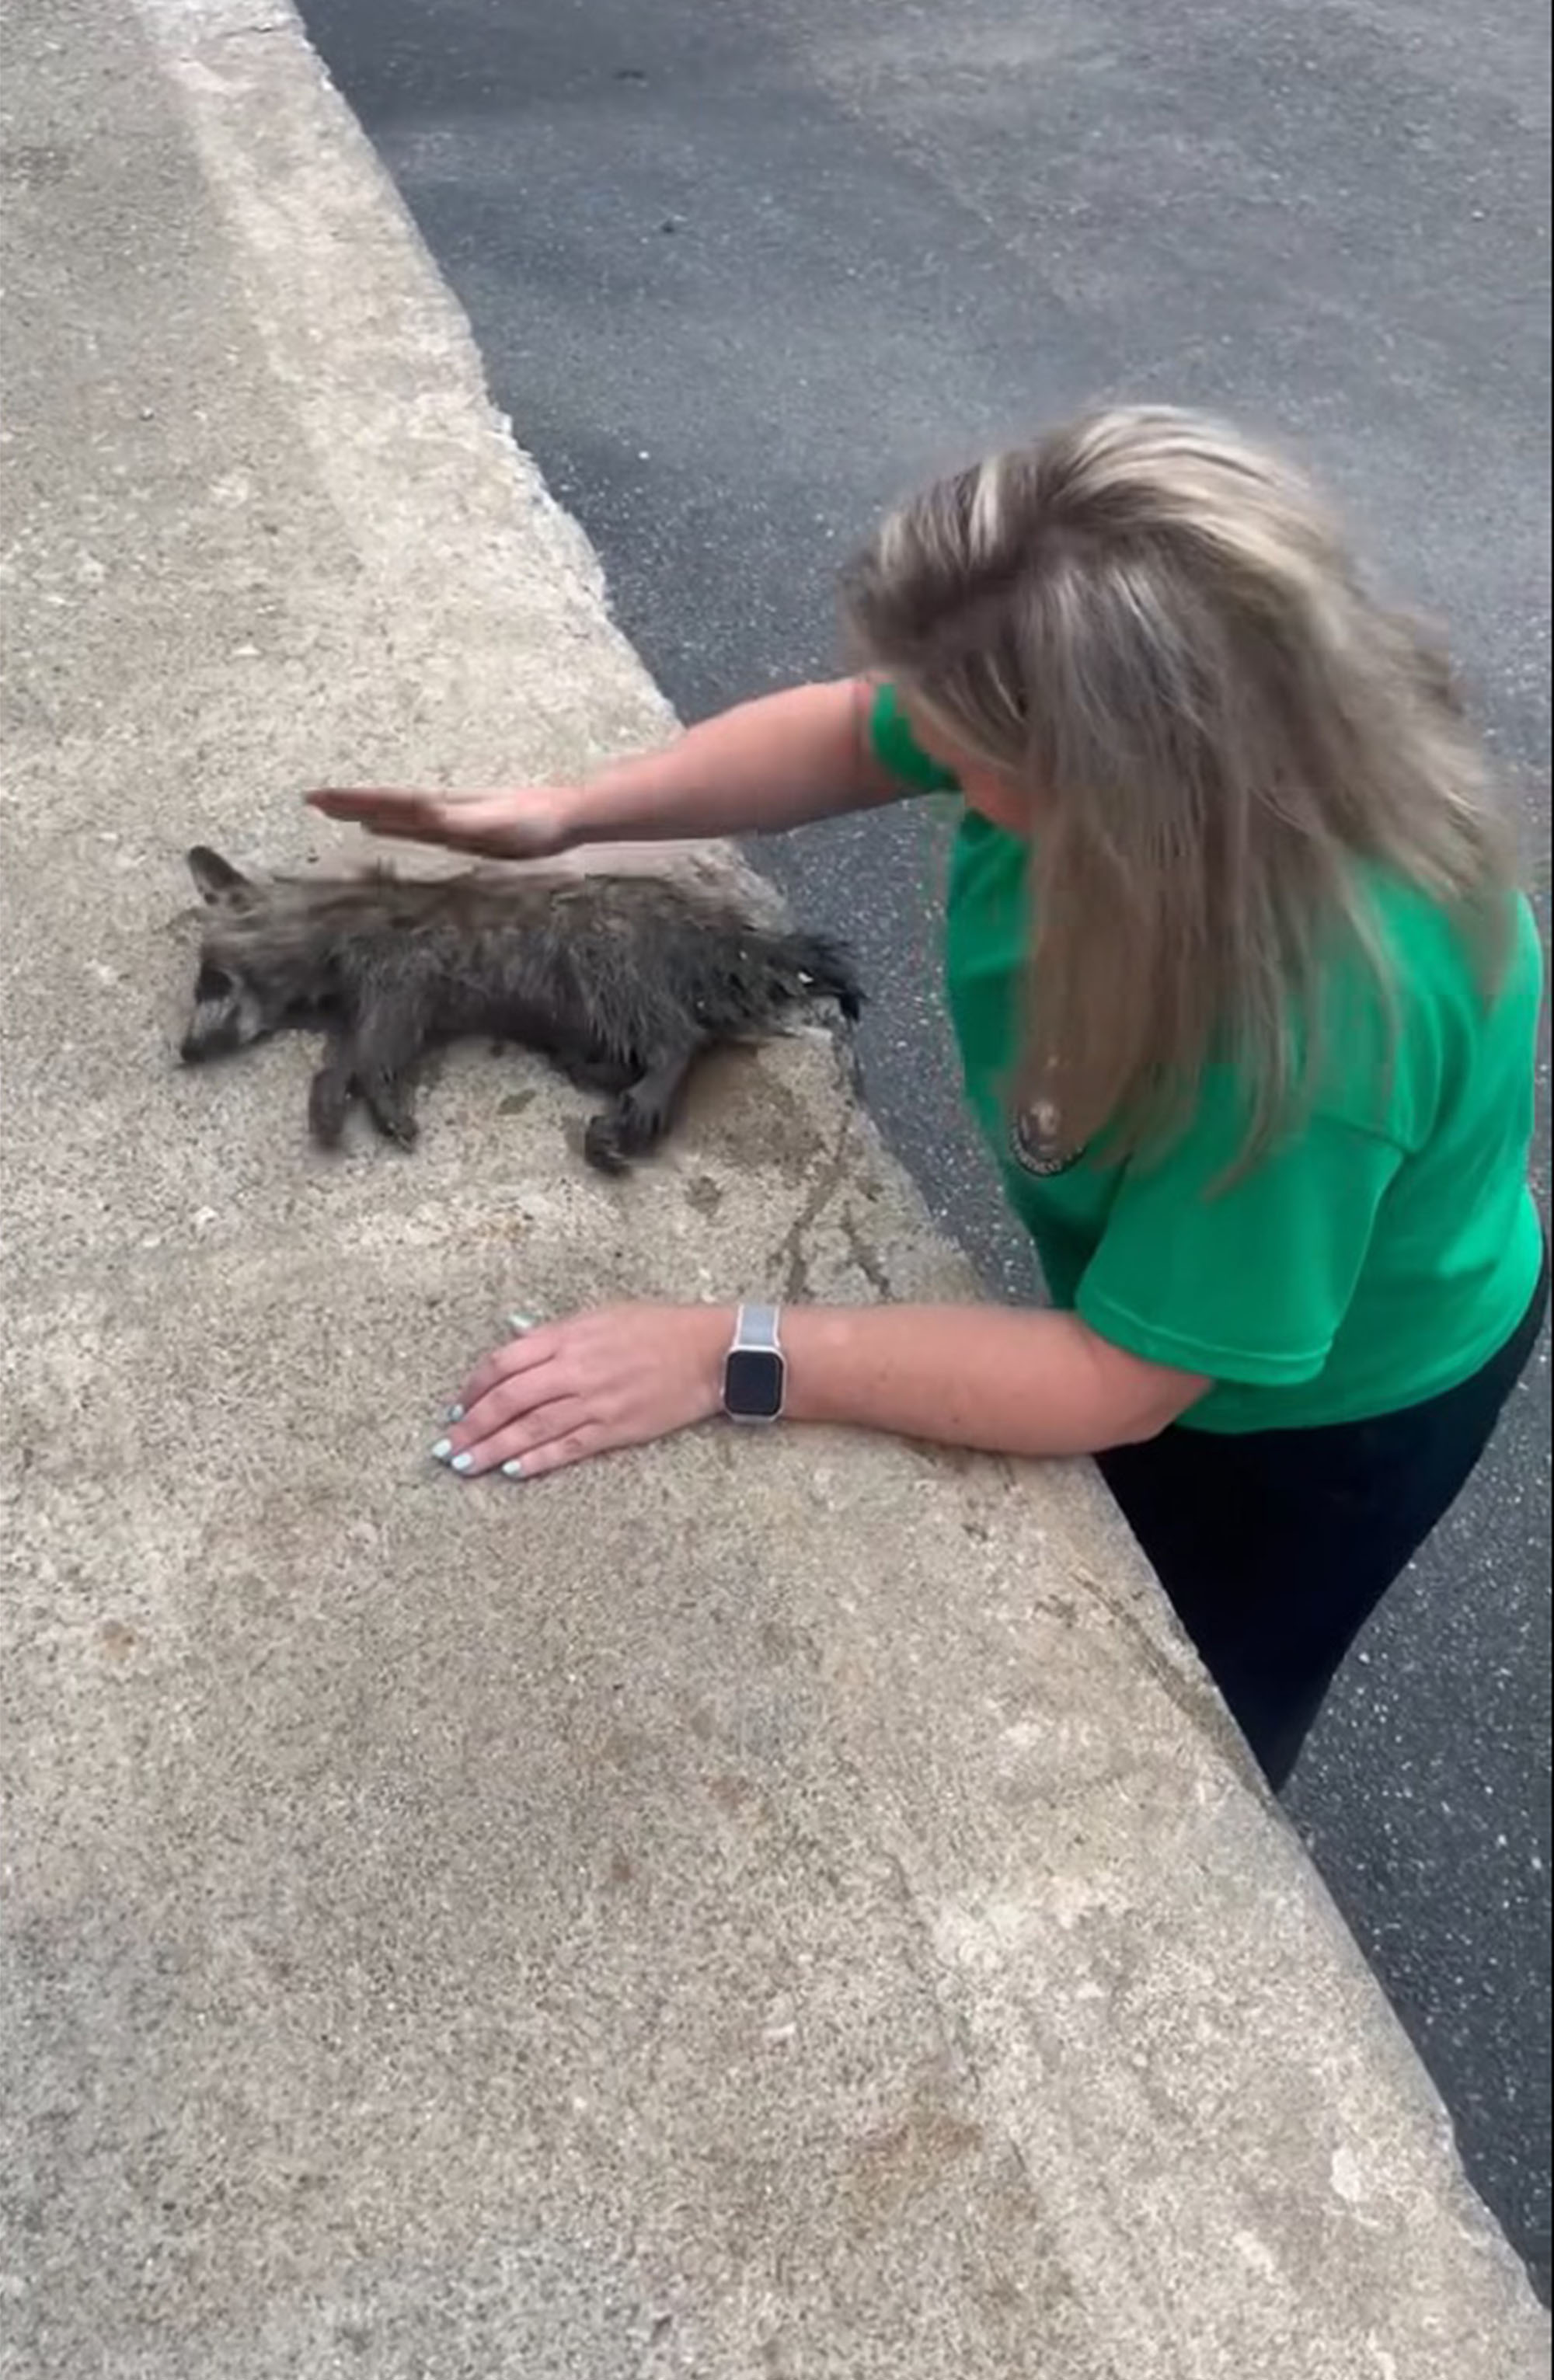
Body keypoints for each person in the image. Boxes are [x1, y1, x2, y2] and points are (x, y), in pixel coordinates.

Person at [308, 403, 1547, 1789]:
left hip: (1315, 1413)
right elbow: (861, 730)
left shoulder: (1311, 1037)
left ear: (1127, 793)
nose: (925, 761)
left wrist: (728, 1354)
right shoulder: (1175, 724)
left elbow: (1124, 1381)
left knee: (1192, 1705)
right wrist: (574, 809)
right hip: (1210, 1262)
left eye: (972, 764)